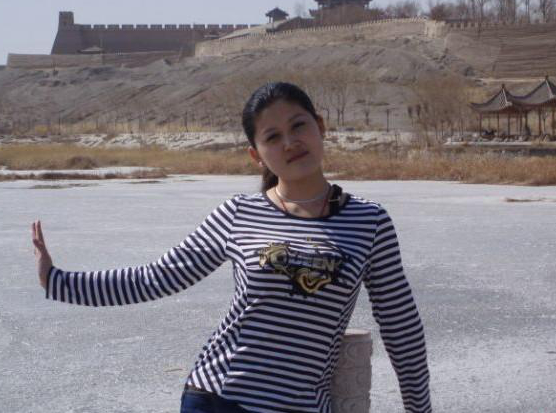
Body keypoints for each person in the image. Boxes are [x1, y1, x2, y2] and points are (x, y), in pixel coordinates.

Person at [32, 82, 432, 413]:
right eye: (273, 137)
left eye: (298, 125)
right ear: (256, 155)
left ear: (320, 126)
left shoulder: (369, 221)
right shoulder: (239, 213)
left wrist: (419, 408)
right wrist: (59, 281)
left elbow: (400, 324)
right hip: (220, 398)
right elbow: (158, 277)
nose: (290, 142)